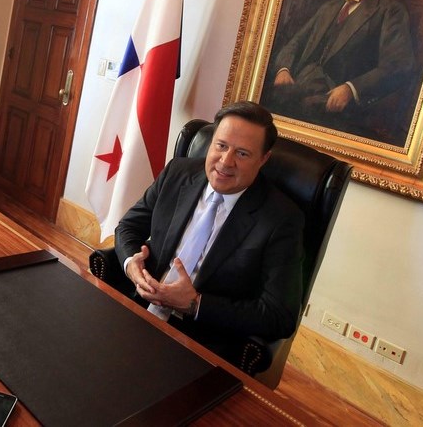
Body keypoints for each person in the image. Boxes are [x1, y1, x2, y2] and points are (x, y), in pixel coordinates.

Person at [115, 101, 304, 365]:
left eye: (242, 154)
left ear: (263, 159)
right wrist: (131, 266)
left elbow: (279, 316)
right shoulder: (177, 173)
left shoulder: (281, 219)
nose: (226, 162)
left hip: (200, 341)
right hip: (137, 306)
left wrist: (195, 303)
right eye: (221, 146)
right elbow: (128, 227)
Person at [261, 0, 415, 139]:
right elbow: (295, 43)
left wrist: (352, 89)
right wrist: (283, 69)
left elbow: (399, 65)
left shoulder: (390, 11)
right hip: (298, 84)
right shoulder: (329, 8)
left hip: (336, 101)